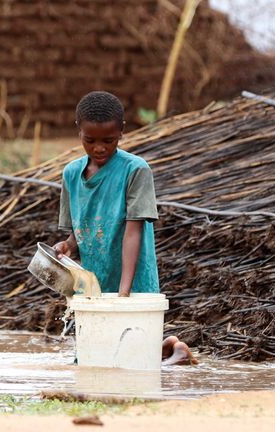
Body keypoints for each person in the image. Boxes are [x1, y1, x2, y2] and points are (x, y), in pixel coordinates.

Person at [53, 91, 197, 366]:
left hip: (132, 277)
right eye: (90, 140)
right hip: (95, 279)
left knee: (131, 362)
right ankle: (169, 349)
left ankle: (175, 353)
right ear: (79, 132)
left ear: (121, 132)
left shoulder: (135, 170)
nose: (99, 148)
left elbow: (133, 230)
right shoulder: (71, 174)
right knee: (93, 359)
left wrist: (124, 294)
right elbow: (82, 227)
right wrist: (68, 246)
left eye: (109, 140)